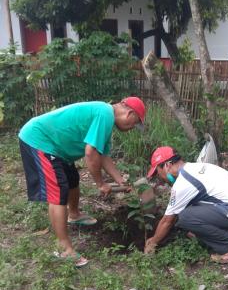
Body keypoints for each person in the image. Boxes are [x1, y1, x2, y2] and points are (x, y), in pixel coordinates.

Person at [19, 97, 146, 267]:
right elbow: (90, 152)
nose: (132, 128)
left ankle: (74, 215)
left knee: (72, 179)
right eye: (134, 123)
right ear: (129, 113)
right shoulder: (105, 114)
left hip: (57, 148)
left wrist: (120, 180)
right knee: (59, 190)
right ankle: (64, 249)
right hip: (40, 140)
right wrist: (100, 183)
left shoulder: (105, 117)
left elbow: (103, 156)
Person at [144, 146, 228, 264]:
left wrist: (153, 242)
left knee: (185, 217)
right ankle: (210, 234)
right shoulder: (195, 167)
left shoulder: (183, 183)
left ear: (167, 165)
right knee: (188, 209)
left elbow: (167, 221)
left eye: (158, 172)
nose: (159, 177)